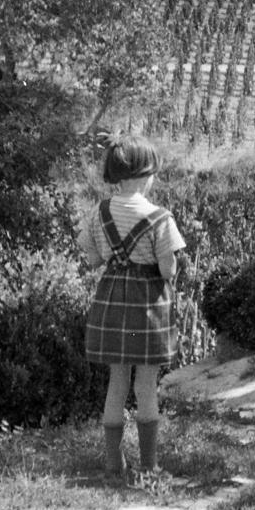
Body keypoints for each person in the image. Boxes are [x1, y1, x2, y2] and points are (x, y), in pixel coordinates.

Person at [78, 136, 187, 481]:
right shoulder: (159, 217)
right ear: (144, 175)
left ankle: (113, 465)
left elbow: (93, 258)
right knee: (146, 385)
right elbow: (168, 269)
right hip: (148, 307)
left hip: (112, 303)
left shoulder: (100, 212)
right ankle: (149, 465)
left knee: (117, 381)